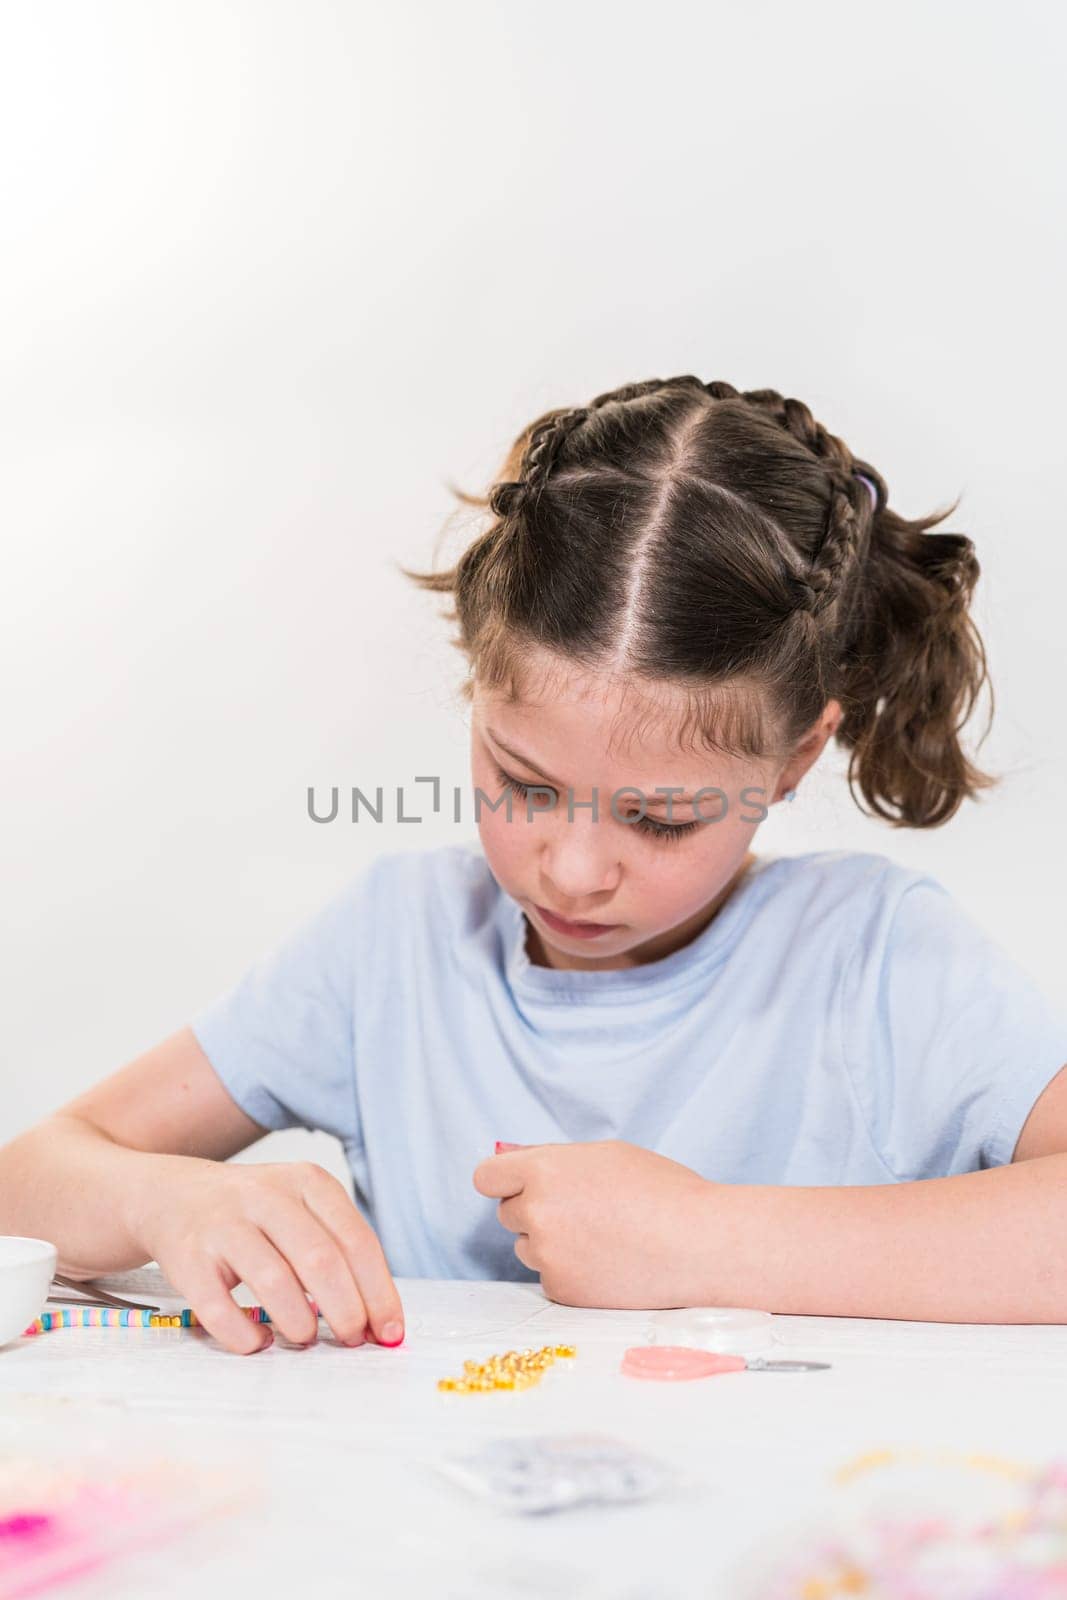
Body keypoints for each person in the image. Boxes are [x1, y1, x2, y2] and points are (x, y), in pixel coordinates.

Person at [3, 375, 1066, 1356]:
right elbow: (28, 1180)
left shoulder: (872, 955)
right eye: (523, 782)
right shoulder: (395, 945)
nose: (570, 868)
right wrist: (163, 1201)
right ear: (476, 693)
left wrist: (705, 1240)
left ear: (791, 760)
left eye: (658, 818)